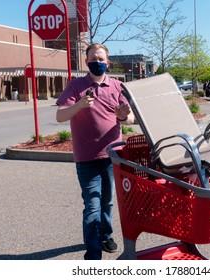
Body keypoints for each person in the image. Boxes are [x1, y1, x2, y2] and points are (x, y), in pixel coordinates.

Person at [55, 43, 134, 260]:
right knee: (92, 204)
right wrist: (79, 105)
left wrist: (122, 116)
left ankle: (106, 235)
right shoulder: (76, 86)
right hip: (86, 157)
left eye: (101, 59)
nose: (97, 62)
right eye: (93, 58)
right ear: (87, 61)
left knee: (107, 201)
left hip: (112, 157)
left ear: (108, 63)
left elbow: (130, 118)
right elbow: (60, 116)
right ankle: (93, 254)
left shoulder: (118, 86)